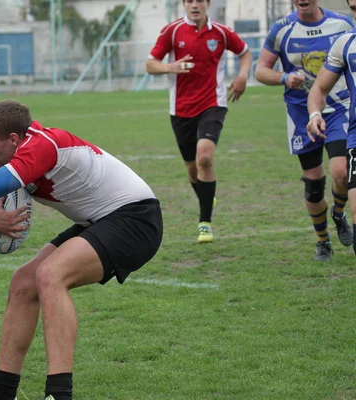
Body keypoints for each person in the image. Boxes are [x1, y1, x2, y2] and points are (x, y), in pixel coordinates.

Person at [0, 99, 163, 400]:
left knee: (50, 275)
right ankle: (1, 393)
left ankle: (58, 394)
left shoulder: (44, 144)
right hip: (97, 221)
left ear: (14, 139)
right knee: (23, 282)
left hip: (135, 218)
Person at [145, 0, 252, 243]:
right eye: (190, 1)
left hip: (213, 104)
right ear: (184, 4)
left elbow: (245, 52)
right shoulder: (171, 31)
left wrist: (243, 75)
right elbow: (150, 64)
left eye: (199, 0)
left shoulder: (222, 33)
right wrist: (170, 67)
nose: (195, 5)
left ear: (208, 4)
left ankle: (205, 222)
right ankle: (206, 195)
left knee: (205, 157)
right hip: (181, 109)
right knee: (192, 169)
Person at [255, 0, 354, 261]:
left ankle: (339, 211)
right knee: (313, 184)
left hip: (339, 107)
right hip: (300, 112)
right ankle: (323, 241)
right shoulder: (282, 29)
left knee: (341, 172)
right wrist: (284, 78)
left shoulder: (342, 24)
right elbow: (261, 71)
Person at [306, 0, 356, 256]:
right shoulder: (346, 44)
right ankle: (329, 230)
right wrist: (315, 113)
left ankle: (337, 213)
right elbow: (319, 88)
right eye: (355, 8)